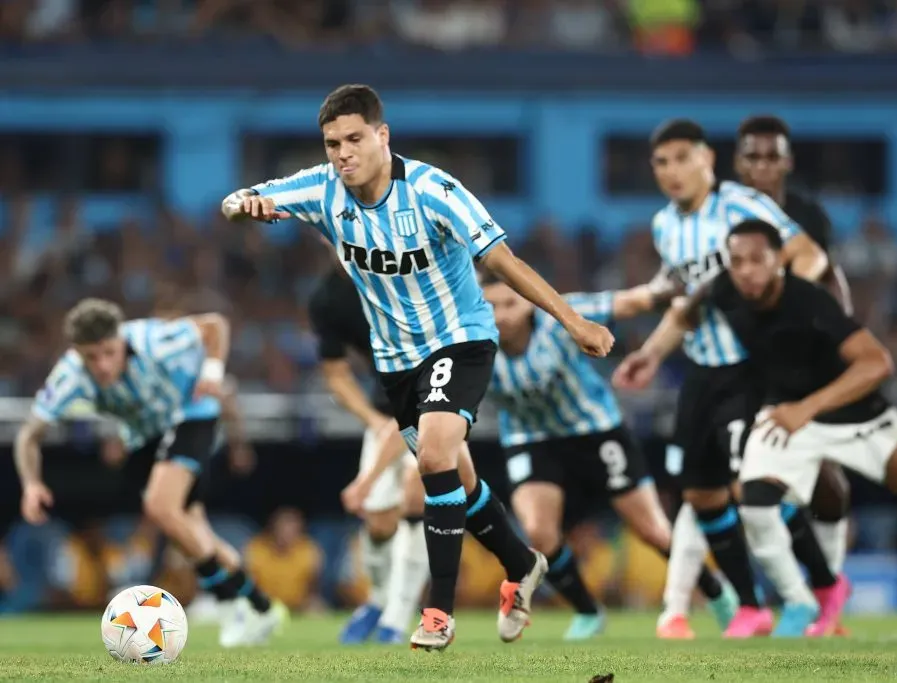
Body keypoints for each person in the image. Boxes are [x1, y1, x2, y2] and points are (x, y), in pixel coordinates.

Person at [221, 84, 614, 651]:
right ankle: (521, 562)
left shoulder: (434, 192)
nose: (343, 153)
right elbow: (236, 200)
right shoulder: (320, 188)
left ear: (382, 136)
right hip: (397, 360)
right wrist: (244, 208)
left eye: (354, 139)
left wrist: (573, 321)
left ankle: (438, 612)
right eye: (333, 143)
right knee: (460, 483)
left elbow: (504, 260)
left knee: (433, 456)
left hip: (461, 338)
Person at [676, 219, 897, 637]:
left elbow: (878, 362)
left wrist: (809, 406)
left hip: (860, 417)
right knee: (755, 506)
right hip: (790, 418)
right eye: (737, 261)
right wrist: (655, 350)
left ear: (779, 261)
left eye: (757, 259)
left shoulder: (809, 303)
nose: (746, 270)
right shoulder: (724, 292)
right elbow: (685, 307)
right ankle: (799, 601)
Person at [612, 119, 829, 638]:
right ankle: (751, 607)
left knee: (748, 486)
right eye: (662, 163)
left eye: (684, 158)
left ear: (708, 159)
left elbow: (809, 256)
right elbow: (689, 306)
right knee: (703, 495)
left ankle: (808, 594)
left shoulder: (741, 206)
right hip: (700, 370)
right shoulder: (665, 226)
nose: (673, 172)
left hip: (749, 369)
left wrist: (781, 311)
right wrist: (651, 353)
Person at [480, 273, 739, 640]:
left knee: (652, 530)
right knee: (539, 531)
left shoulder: (559, 316)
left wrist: (661, 288)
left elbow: (628, 302)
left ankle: (717, 593)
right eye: (490, 306)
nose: (500, 315)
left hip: (595, 431)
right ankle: (587, 611)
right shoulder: (470, 342)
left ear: (527, 300)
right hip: (531, 438)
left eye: (510, 303)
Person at [14, 298, 285, 648]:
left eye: (108, 352)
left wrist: (212, 372)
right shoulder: (69, 374)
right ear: (77, 352)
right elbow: (28, 435)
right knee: (191, 531)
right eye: (90, 357)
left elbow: (215, 324)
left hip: (190, 413)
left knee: (160, 507)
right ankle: (261, 607)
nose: (102, 366)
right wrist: (31, 483)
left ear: (120, 340)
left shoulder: (153, 339)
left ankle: (227, 601)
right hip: (143, 438)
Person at [734, 115, 852, 583]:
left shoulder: (808, 216)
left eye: (771, 156)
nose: (763, 166)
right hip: (738, 361)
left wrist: (842, 333)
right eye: (753, 156)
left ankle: (829, 587)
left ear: (787, 162)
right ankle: (724, 598)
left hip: (801, 361)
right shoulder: (722, 213)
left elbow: (829, 277)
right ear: (738, 164)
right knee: (726, 481)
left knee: (826, 482)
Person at [308, 267, 430, 644]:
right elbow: (336, 372)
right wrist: (373, 419)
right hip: (387, 404)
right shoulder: (328, 298)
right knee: (378, 521)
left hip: (439, 398)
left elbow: (412, 410)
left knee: (415, 492)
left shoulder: (406, 271)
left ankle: (395, 620)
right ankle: (378, 602)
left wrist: (366, 479)